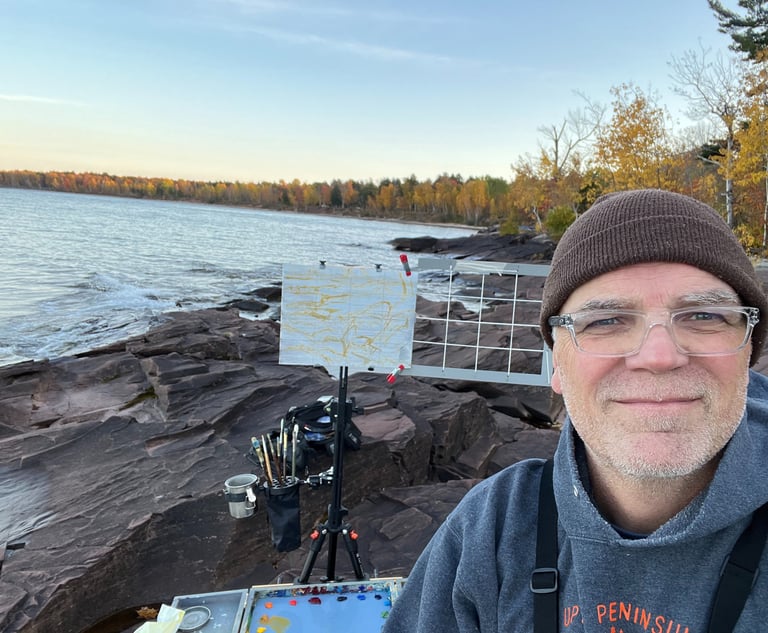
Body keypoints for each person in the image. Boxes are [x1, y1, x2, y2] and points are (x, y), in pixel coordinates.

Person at [382, 189, 768, 632]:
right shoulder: (490, 531)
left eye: (704, 316)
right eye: (605, 321)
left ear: (748, 352)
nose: (659, 356)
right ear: (557, 364)